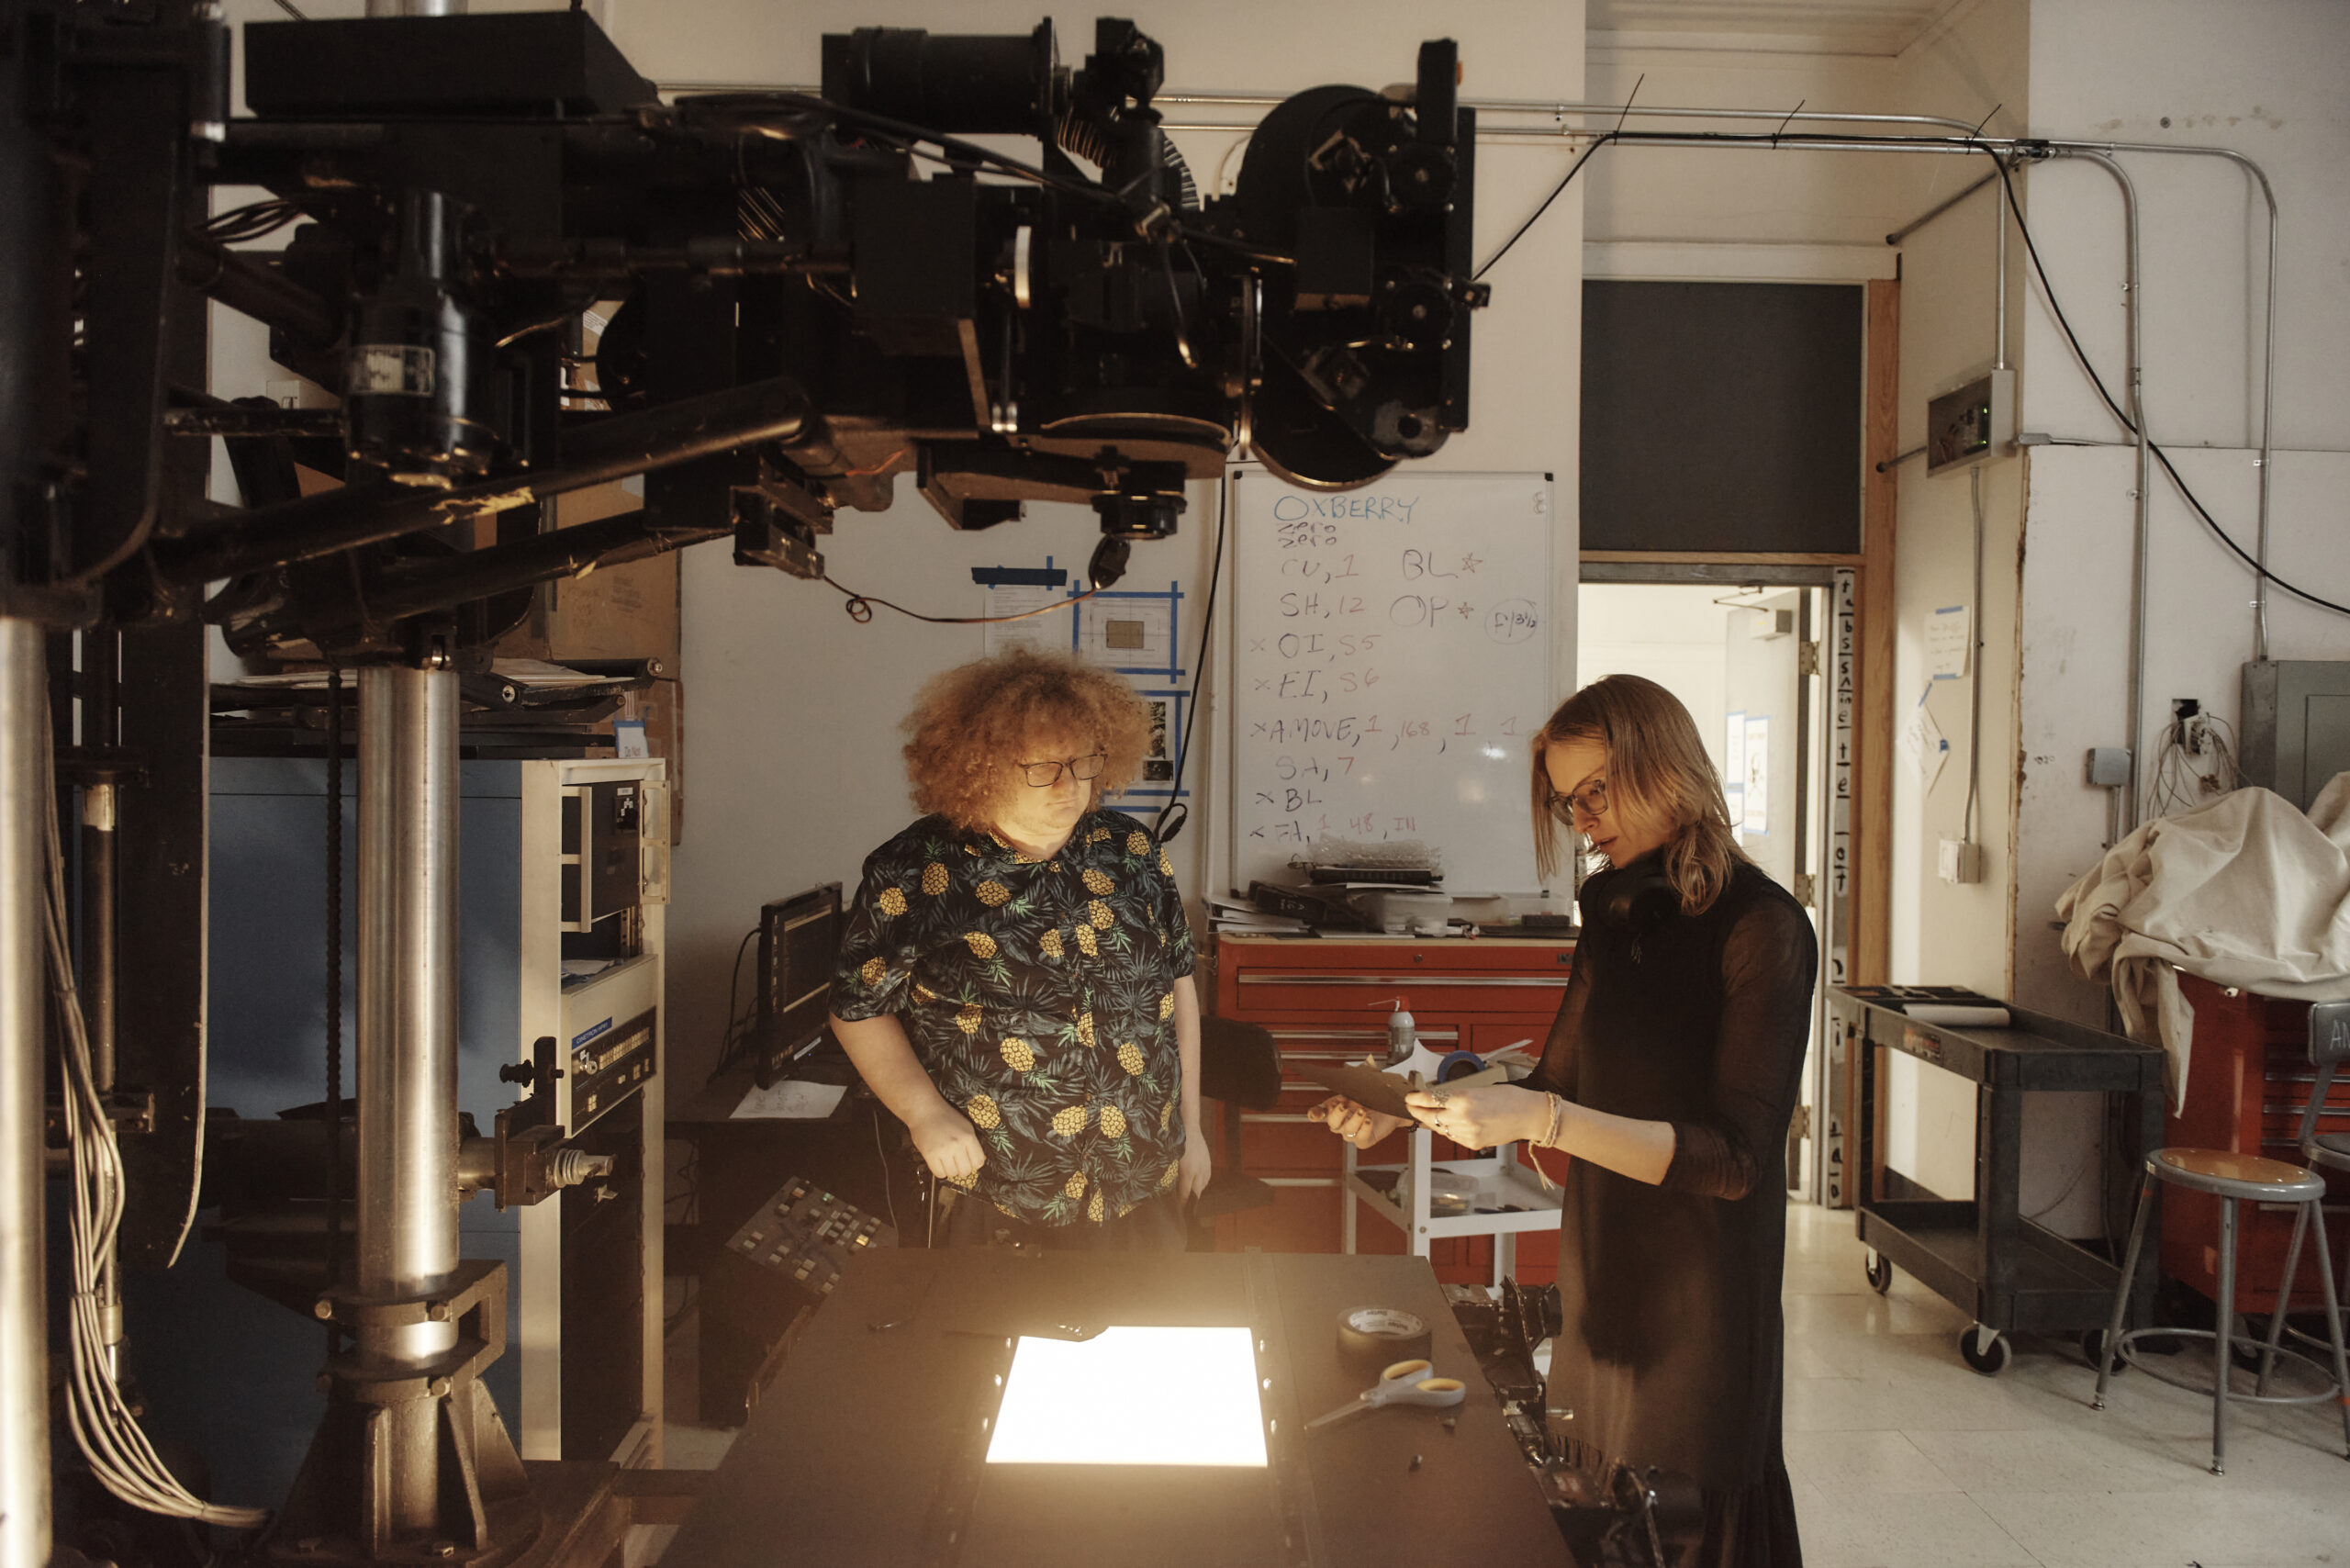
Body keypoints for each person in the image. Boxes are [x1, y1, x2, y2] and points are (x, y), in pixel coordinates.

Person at [1310, 673, 1816, 1566]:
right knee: (1604, 1512)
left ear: (1663, 767)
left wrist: (1543, 1116)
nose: (1580, 818)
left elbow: (1733, 1158)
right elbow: (1557, 1079)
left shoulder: (1762, 927)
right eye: (1564, 799)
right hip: (1603, 1252)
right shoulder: (1612, 907)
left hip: (1701, 1286)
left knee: (1689, 1517)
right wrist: (1410, 1110)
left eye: (1596, 791)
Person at [829, 647, 1212, 1249]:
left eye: (1084, 761)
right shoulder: (915, 868)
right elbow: (858, 1009)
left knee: (1151, 1334)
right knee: (989, 1342)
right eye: (1043, 767)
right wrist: (923, 1115)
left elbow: (1177, 989)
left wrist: (1192, 1125)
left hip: (1143, 1171)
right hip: (998, 1186)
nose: (1071, 785)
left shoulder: (1132, 850)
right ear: (980, 767)